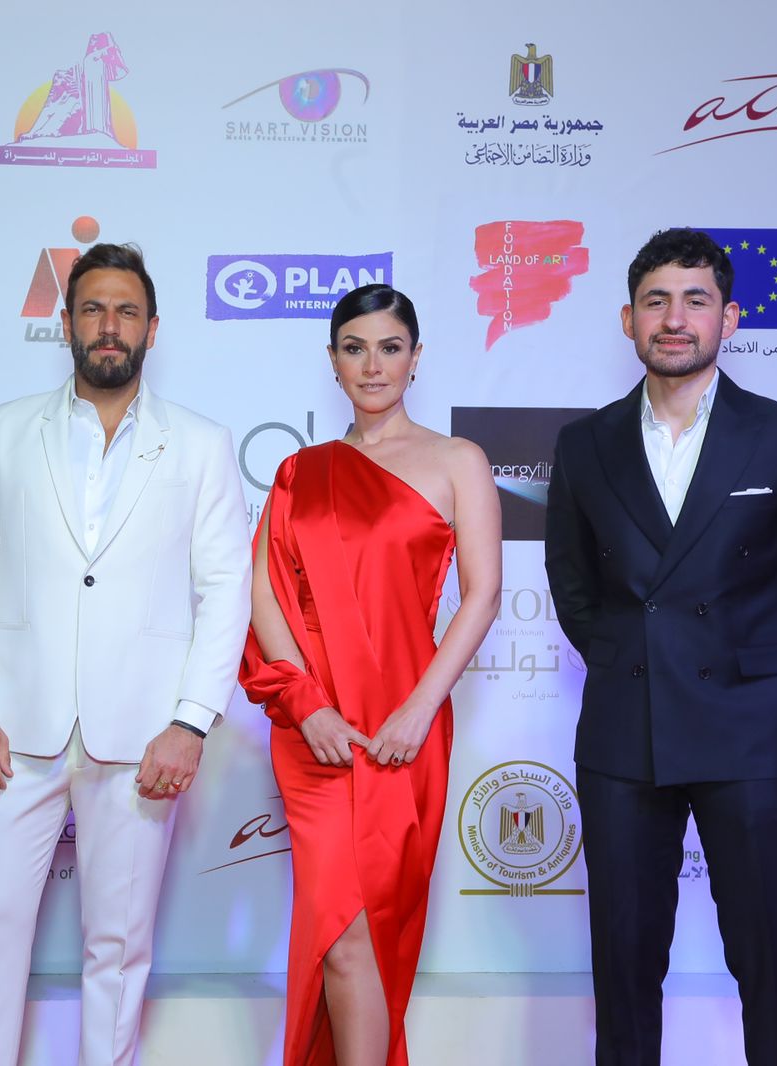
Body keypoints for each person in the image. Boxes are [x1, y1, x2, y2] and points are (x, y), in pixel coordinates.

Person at [0, 243, 251, 1066]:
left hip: (145, 736)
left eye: (126, 311)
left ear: (153, 328)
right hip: (12, 732)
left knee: (120, 945)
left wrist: (190, 723)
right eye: (94, 309)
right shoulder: (2, 431)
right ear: (67, 322)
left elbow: (226, 590)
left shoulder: (201, 443)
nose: (110, 326)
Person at [544, 228, 777, 1066]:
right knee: (623, 967)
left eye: (695, 300)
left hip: (748, 734)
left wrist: (756, 687)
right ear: (628, 319)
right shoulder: (584, 444)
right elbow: (574, 588)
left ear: (730, 317)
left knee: (770, 961)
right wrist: (627, 667)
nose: (674, 319)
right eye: (656, 301)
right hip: (624, 732)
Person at [241, 284, 501, 1066]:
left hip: (401, 727)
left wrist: (420, 710)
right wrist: (307, 706)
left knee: (374, 930)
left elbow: (483, 595)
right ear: (333, 362)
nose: (373, 365)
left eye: (390, 348)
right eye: (355, 349)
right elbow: (265, 594)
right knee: (340, 936)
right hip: (316, 731)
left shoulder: (457, 461)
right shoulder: (299, 471)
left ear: (416, 359)